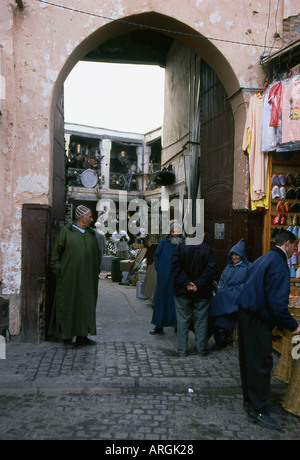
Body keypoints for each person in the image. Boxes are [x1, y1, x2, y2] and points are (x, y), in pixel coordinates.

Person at [237, 230, 300, 431]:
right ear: (288, 244)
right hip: (257, 318)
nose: (295, 250)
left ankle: (250, 403)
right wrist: (293, 325)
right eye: (295, 246)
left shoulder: (265, 258)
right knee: (261, 364)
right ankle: (259, 410)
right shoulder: (279, 263)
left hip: (246, 314)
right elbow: (278, 304)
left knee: (249, 362)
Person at [48, 205, 101, 348]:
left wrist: (95, 271)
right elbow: (55, 256)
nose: (92, 219)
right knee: (70, 306)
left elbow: (97, 255)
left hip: (89, 279)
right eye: (90, 216)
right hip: (70, 279)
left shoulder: (91, 234)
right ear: (82, 217)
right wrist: (62, 272)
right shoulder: (66, 232)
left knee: (86, 306)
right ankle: (67, 337)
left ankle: (83, 336)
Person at [170, 231, 216, 356]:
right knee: (201, 320)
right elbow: (211, 269)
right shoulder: (207, 249)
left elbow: (174, 267)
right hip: (202, 292)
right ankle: (201, 349)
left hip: (182, 290)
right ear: (203, 234)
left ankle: (182, 349)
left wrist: (187, 283)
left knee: (182, 320)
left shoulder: (181, 247)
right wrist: (198, 284)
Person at [209, 238, 251, 350]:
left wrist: (231, 291)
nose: (234, 257)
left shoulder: (248, 267)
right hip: (225, 295)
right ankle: (217, 335)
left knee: (223, 310)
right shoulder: (229, 266)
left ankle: (221, 338)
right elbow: (222, 280)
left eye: (237, 255)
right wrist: (222, 288)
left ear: (242, 255)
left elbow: (248, 285)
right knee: (214, 306)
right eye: (232, 255)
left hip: (237, 297)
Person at [150, 220, 184, 335]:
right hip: (164, 277)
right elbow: (157, 256)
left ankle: (177, 326)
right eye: (174, 231)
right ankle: (159, 326)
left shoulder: (183, 244)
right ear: (170, 232)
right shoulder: (164, 242)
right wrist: (159, 268)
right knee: (161, 301)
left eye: (178, 231)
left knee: (177, 303)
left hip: (177, 278)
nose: (176, 234)